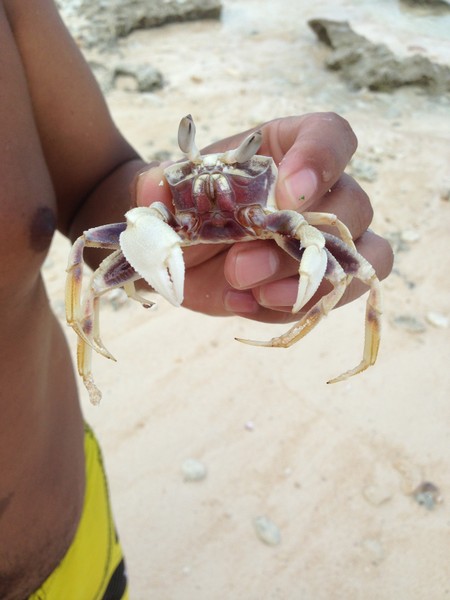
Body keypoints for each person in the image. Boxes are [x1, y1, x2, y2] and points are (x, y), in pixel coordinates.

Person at [0, 0, 393, 598]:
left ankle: (346, 346)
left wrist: (281, 248)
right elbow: (92, 256)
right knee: (90, 272)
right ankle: (89, 350)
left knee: (341, 259)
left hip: (75, 533)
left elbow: (97, 185)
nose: (210, 189)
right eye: (194, 177)